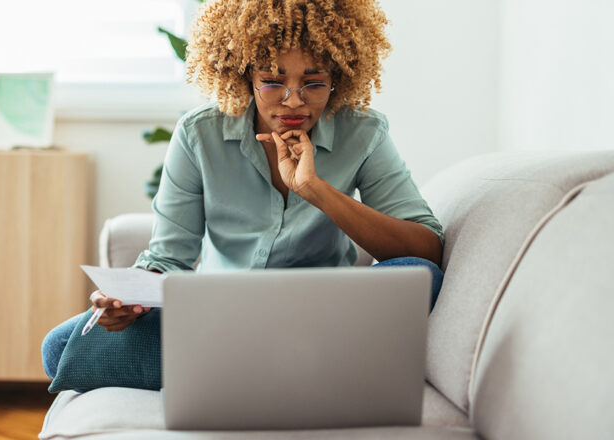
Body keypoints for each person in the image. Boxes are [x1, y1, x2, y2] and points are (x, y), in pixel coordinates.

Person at [42, 0, 444, 380]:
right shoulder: (200, 133)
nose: (293, 102)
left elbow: (426, 249)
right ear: (243, 75)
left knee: (420, 275)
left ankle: (239, 371)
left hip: (320, 316)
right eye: (271, 82)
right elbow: (168, 258)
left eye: (314, 83)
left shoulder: (363, 132)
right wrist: (127, 299)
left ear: (338, 77)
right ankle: (291, 370)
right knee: (59, 348)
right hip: (219, 317)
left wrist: (315, 189)